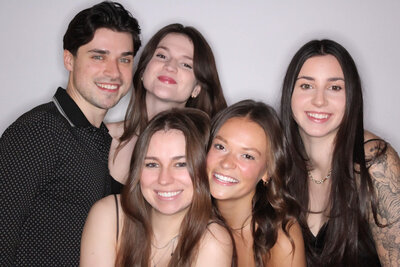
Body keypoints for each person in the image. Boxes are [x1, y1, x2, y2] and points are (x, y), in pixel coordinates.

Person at [0, 2, 141, 266]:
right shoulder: (37, 133)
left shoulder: (99, 138)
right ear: (69, 59)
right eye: (98, 56)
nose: (113, 71)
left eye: (124, 59)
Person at [279, 39, 400, 266]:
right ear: (290, 93)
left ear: (351, 96)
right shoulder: (276, 161)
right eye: (307, 85)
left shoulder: (374, 162)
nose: (319, 100)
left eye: (335, 87)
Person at [80, 108, 233, 266]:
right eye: (152, 164)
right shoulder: (109, 214)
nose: (164, 179)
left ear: (203, 169)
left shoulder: (214, 241)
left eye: (181, 164)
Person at [108, 23, 227, 191]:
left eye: (186, 64)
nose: (170, 66)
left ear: (197, 88)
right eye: (162, 56)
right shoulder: (99, 136)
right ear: (142, 70)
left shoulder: (208, 152)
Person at [206, 99, 306, 267]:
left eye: (247, 156)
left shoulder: (281, 235)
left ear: (268, 172)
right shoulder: (186, 217)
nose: (226, 163)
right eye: (220, 147)